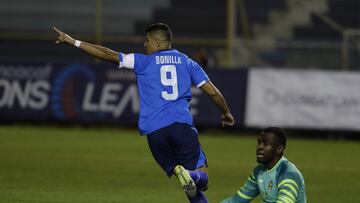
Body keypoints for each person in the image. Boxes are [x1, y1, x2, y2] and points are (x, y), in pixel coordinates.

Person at [53, 23, 235, 203]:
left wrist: (73, 41)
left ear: (156, 42)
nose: (144, 44)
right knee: (201, 177)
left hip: (155, 134)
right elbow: (213, 92)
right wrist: (226, 112)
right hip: (181, 127)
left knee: (188, 186)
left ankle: (187, 176)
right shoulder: (188, 62)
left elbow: (107, 54)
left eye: (146, 40)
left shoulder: (143, 61)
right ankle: (191, 175)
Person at [221, 127, 306, 203]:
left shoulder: (288, 174)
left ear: (279, 149)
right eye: (259, 142)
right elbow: (237, 200)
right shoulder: (259, 171)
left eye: (265, 144)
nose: (259, 147)